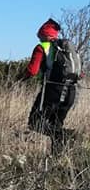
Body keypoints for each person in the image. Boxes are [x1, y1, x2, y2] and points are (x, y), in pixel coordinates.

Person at [21, 18, 76, 154]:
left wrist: (19, 78)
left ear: (43, 34)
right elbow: (80, 74)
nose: (39, 39)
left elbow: (32, 71)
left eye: (40, 36)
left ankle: (66, 135)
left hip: (52, 91)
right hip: (71, 92)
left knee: (35, 123)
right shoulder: (68, 49)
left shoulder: (42, 48)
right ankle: (57, 160)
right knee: (55, 127)